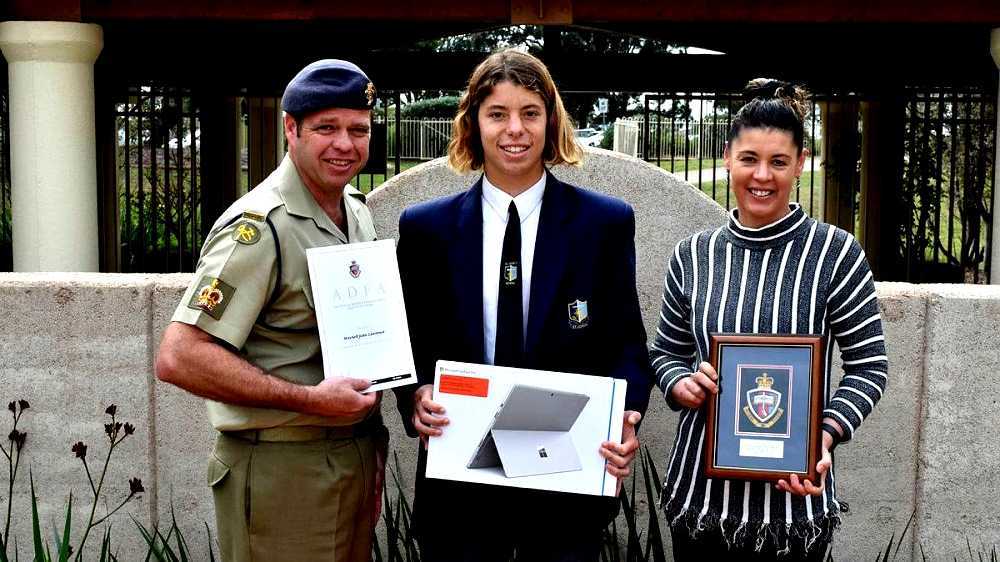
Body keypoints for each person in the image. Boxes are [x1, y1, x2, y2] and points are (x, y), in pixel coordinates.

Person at [392, 49, 653, 562]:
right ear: (474, 123)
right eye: (498, 114)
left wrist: (627, 417)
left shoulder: (603, 224)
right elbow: (408, 340)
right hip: (459, 491)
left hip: (565, 490)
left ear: (550, 121)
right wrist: (415, 393)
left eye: (530, 113)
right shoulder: (426, 229)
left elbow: (626, 343)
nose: (515, 129)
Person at [155, 59, 386, 562]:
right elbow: (180, 355)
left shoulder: (355, 210)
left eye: (358, 129)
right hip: (283, 467)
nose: (345, 144)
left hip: (350, 455)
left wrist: (371, 446)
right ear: (291, 128)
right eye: (326, 128)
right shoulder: (260, 228)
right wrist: (310, 400)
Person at [649, 79, 888, 560]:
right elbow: (666, 352)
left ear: (800, 163)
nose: (762, 175)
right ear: (726, 158)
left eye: (779, 161)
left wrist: (824, 434)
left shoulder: (836, 252)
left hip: (795, 502)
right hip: (701, 501)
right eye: (749, 159)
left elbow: (869, 368)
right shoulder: (693, 255)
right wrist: (681, 384)